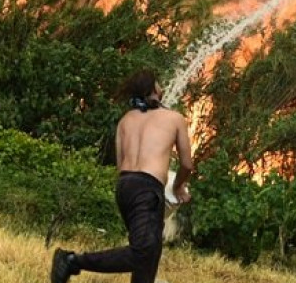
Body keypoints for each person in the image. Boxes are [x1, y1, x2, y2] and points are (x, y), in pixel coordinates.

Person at [51, 69, 194, 283]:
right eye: (158, 82)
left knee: (149, 256)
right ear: (153, 88)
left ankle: (74, 261)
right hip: (147, 190)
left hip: (125, 188)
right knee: (142, 253)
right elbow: (186, 164)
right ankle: (73, 261)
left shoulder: (125, 121)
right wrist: (178, 187)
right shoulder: (174, 118)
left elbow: (121, 166)